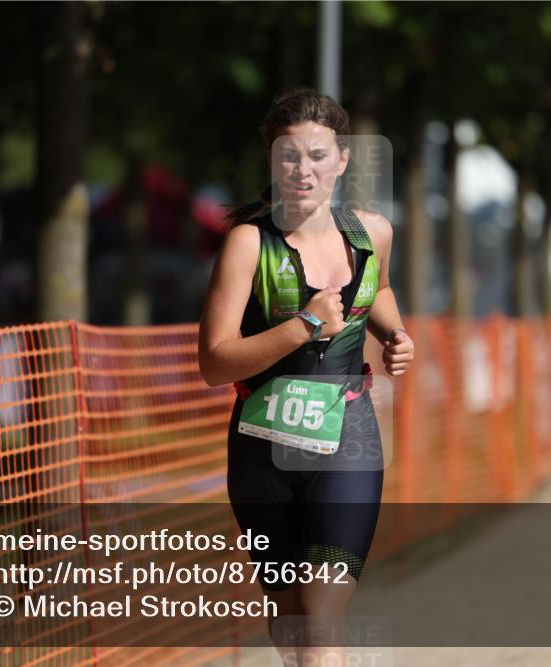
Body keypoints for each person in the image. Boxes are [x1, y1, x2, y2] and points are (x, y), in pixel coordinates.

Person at [197, 87, 414, 663]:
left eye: (318, 155)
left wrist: (394, 334)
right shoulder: (248, 245)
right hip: (261, 451)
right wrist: (303, 326)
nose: (303, 169)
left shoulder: (373, 234)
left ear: (342, 160)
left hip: (350, 440)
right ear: (272, 162)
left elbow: (381, 289)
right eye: (289, 155)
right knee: (291, 620)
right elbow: (214, 362)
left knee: (322, 623)